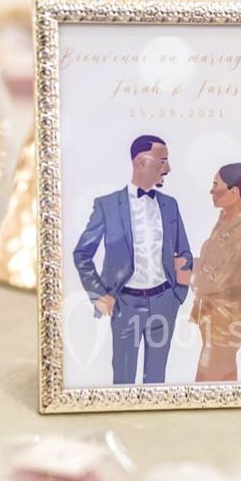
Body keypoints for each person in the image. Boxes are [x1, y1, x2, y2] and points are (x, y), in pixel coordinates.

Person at [73, 134, 193, 384]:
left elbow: (185, 253)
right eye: (162, 161)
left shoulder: (170, 205)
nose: (168, 168)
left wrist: (178, 294)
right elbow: (82, 254)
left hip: (164, 302)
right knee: (124, 376)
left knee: (157, 378)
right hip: (125, 305)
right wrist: (98, 294)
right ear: (140, 162)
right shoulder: (107, 206)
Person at [176, 162, 241, 383]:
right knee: (221, 373)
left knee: (209, 375)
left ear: (234, 192)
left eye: (216, 185)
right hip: (212, 313)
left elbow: (223, 278)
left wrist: (188, 276)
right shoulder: (224, 220)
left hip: (227, 317)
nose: (211, 190)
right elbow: (212, 263)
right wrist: (188, 263)